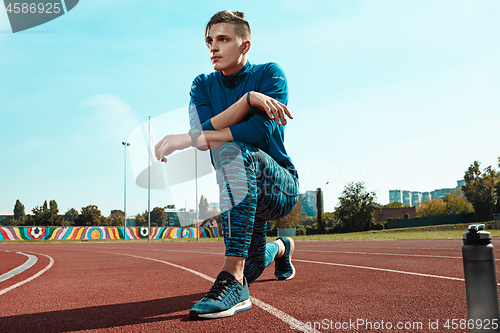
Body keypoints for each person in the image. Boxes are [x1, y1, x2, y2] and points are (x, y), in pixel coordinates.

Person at [154, 10, 299, 319]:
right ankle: (283, 246)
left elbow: (258, 131)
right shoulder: (202, 85)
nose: (213, 49)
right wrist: (247, 101)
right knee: (256, 267)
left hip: (278, 186)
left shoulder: (271, 74)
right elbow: (202, 135)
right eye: (209, 41)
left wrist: (195, 137)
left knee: (234, 151)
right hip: (239, 193)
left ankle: (232, 280)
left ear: (244, 45)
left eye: (222, 39)